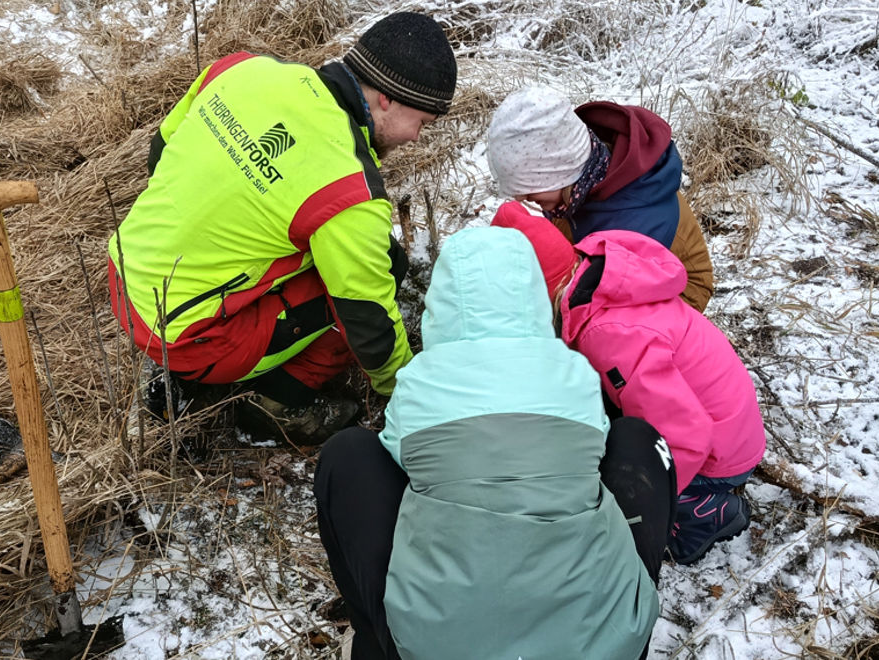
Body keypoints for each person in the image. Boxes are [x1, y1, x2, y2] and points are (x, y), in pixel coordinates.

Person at [313, 226, 675, 660]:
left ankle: (374, 643)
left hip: (438, 648)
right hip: (603, 644)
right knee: (638, 439)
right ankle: (619, 606)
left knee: (349, 455)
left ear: (440, 305)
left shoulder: (418, 383)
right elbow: (594, 448)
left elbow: (399, 460)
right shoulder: (576, 375)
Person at [107, 12, 457, 445]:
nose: (417, 137)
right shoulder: (349, 189)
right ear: (388, 98)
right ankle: (276, 403)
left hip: (124, 271)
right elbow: (367, 321)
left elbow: (161, 152)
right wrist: (403, 390)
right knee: (381, 268)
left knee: (334, 253)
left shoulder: (242, 69)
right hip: (187, 338)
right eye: (422, 122)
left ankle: (199, 363)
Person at [492, 201, 766, 566]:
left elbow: (685, 436)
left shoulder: (608, 334)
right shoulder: (603, 286)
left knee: (613, 490)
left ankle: (701, 512)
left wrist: (646, 500)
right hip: (726, 427)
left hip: (717, 457)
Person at [485, 86, 715, 313]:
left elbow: (596, 299)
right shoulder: (581, 181)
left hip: (671, 293)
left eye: (531, 185)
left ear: (561, 171)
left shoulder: (636, 222)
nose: (521, 197)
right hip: (602, 254)